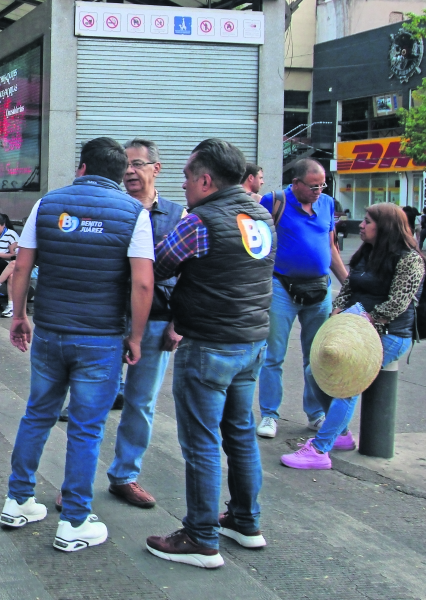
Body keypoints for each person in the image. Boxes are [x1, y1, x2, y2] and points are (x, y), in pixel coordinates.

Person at [0, 137, 154, 554]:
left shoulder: (47, 204)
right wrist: (136, 337)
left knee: (37, 414)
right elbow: (142, 282)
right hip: (101, 339)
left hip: (50, 332)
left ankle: (18, 501)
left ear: (82, 167)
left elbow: (23, 265)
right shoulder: (134, 213)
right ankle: (74, 521)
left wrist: (19, 315)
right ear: (120, 173)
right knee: (86, 429)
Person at [144, 139, 274, 569]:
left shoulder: (200, 221)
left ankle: (201, 537)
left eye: (185, 176)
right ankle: (245, 520)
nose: (182, 185)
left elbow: (160, 265)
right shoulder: (260, 215)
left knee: (201, 443)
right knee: (240, 435)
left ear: (205, 179)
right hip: (251, 343)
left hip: (208, 345)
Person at [282, 204, 424, 469]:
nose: (360, 224)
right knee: (315, 372)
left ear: (384, 227)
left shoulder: (409, 259)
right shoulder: (365, 253)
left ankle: (320, 450)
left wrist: (367, 318)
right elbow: (348, 287)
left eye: (367, 221)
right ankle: (342, 435)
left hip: (388, 334)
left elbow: (399, 303)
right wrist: (339, 309)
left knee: (348, 384)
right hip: (355, 330)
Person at [102, 138, 186, 508]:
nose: (130, 172)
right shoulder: (110, 208)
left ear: (156, 168)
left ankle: (125, 475)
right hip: (105, 318)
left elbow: (189, 275)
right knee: (93, 401)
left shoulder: (178, 215)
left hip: (156, 321)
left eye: (137, 164)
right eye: (125, 165)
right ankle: (77, 478)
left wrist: (178, 323)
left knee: (141, 402)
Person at [256, 158, 347, 439]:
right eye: (313, 186)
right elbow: (256, 242)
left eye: (322, 185)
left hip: (320, 289)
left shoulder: (327, 204)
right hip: (282, 287)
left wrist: (348, 284)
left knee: (317, 357)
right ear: (295, 183)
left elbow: (330, 245)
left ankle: (316, 413)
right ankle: (270, 415)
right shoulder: (274, 202)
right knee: (274, 355)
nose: (318, 190)